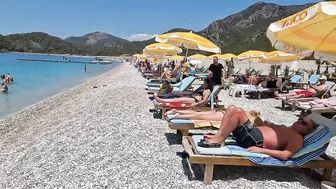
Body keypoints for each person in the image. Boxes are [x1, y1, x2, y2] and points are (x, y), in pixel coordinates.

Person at [201, 105, 318, 160]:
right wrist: (268, 123)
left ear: (309, 130)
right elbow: (269, 125)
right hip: (252, 134)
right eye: (300, 119)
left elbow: (285, 155)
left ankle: (220, 140)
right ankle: (218, 136)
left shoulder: (297, 138)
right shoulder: (287, 128)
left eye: (304, 123)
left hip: (255, 141)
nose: (299, 121)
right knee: (231, 108)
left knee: (236, 111)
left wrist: (261, 150)